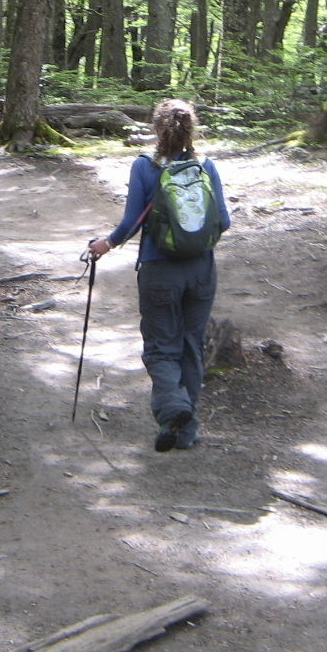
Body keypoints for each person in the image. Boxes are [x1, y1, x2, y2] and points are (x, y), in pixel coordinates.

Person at [88, 99, 231, 452]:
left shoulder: (144, 167)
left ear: (156, 129)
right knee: (190, 347)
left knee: (160, 349)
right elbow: (223, 221)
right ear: (190, 129)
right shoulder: (206, 165)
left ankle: (173, 409)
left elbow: (132, 222)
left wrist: (105, 244)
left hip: (158, 270)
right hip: (201, 270)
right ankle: (186, 430)